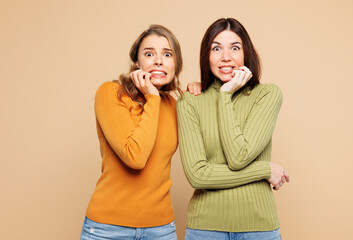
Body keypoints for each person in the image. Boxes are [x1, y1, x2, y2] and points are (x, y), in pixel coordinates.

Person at [177, 18, 290, 240]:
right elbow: (198, 176)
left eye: (235, 48)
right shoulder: (190, 101)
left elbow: (239, 156)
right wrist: (264, 170)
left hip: (260, 228)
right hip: (205, 229)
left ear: (246, 53)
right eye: (216, 48)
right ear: (206, 56)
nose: (225, 57)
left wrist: (225, 94)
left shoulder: (267, 95)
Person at [80, 24, 185, 240]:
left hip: (161, 229)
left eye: (167, 54)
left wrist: (202, 90)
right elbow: (135, 157)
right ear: (137, 63)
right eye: (149, 54)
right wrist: (153, 98)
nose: (158, 61)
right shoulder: (110, 93)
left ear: (176, 64)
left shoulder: (175, 106)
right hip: (107, 229)